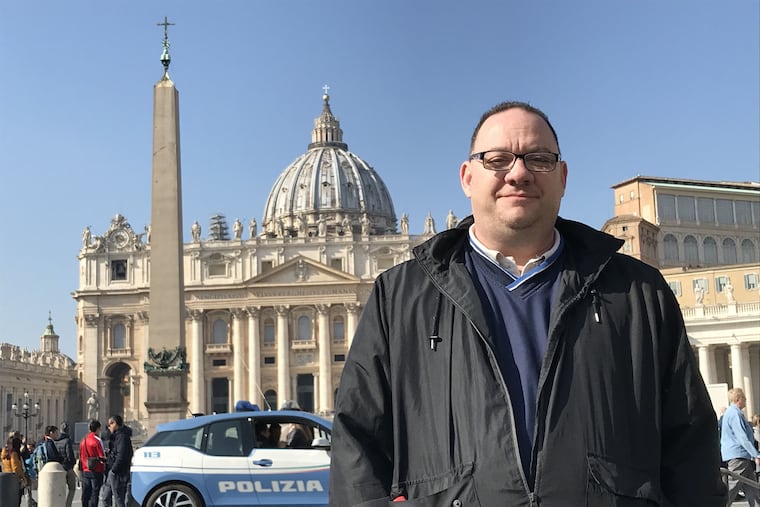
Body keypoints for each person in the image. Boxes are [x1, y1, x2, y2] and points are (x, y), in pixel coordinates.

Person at [329, 101, 726, 505]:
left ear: (563, 177)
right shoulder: (397, 297)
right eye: (497, 159)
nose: (518, 173)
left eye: (538, 159)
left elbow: (691, 450)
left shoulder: (640, 293)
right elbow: (356, 452)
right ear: (467, 178)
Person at [721, 388, 760, 505]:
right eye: (744, 398)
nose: (746, 400)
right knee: (732, 488)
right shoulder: (735, 414)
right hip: (738, 455)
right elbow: (742, 437)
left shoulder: (731, 413)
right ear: (738, 399)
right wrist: (756, 454)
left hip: (740, 455)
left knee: (753, 489)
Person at [102, 415, 133, 507]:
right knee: (106, 497)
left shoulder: (122, 437)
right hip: (112, 470)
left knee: (118, 499)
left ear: (115, 423)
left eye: (110, 424)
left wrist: (114, 469)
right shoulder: (116, 436)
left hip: (118, 472)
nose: (109, 426)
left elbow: (121, 455)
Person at [80, 420, 106, 507]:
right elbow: (102, 456)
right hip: (96, 469)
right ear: (98, 429)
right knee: (95, 493)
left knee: (86, 492)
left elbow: (81, 455)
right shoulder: (97, 440)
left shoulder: (83, 440)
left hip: (85, 469)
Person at [54, 422, 77, 507]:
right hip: (67, 468)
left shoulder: (55, 441)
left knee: (60, 489)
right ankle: (68, 505)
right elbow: (70, 455)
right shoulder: (67, 441)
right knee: (72, 488)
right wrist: (72, 463)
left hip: (58, 468)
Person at [2, 436, 27, 506]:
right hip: (15, 480)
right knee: (16, 500)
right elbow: (16, 468)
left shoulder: (4, 454)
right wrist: (22, 477)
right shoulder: (14, 454)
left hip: (6, 478)